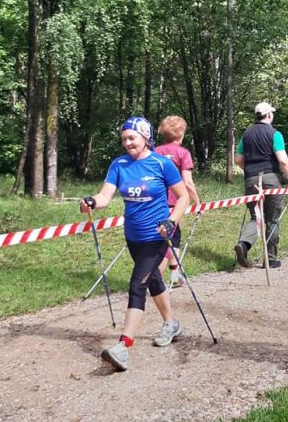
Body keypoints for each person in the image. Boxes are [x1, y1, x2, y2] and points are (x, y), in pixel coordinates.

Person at [80, 116, 190, 372]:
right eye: (124, 139)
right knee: (153, 280)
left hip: (158, 236)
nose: (127, 143)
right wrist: (91, 202)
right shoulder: (119, 165)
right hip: (133, 236)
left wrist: (172, 221)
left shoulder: (162, 164)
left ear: (145, 137)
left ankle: (124, 346)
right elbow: (105, 196)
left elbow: (183, 196)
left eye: (132, 138)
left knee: (137, 284)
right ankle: (171, 324)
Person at [233, 102, 288, 269]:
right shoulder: (274, 134)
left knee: (256, 217)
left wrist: (250, 171)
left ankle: (244, 244)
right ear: (269, 115)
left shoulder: (246, 135)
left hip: (250, 180)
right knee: (272, 219)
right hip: (271, 180)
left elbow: (238, 160)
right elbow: (283, 160)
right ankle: (270, 259)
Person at [154, 116, 201, 288]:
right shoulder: (183, 153)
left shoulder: (154, 151)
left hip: (154, 203)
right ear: (181, 134)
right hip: (174, 204)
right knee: (166, 243)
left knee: (174, 238)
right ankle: (154, 281)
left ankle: (175, 275)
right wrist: (197, 202)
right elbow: (187, 182)